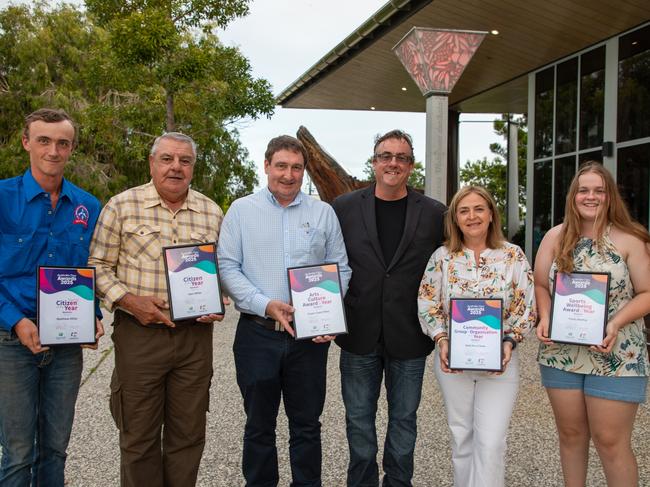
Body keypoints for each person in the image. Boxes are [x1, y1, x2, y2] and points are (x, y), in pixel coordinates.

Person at [88, 132, 224, 487]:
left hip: (195, 339)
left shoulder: (211, 211)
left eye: (185, 161)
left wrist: (219, 298)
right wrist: (130, 302)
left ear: (194, 167)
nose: (176, 167)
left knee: (188, 437)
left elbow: (223, 268)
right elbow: (97, 265)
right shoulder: (122, 206)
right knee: (139, 438)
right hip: (140, 336)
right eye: (167, 159)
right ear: (152, 163)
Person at [217, 135, 351, 487]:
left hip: (309, 338)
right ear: (266, 166)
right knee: (259, 425)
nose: (288, 175)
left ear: (304, 171)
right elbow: (228, 267)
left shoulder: (323, 213)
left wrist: (329, 315)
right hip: (257, 333)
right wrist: (265, 304)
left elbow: (341, 267)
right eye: (281, 166)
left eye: (296, 167)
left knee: (307, 426)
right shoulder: (241, 211)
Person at [332, 130, 445, 486]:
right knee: (358, 421)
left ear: (411, 165)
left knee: (404, 421)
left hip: (410, 336)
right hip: (358, 331)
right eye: (386, 155)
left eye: (401, 157)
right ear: (374, 160)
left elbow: (452, 264)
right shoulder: (343, 207)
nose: (392, 162)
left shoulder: (434, 212)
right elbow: (324, 261)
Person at [0, 108, 104, 486]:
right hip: (11, 342)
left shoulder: (87, 207)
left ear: (71, 148)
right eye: (43, 140)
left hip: (66, 348)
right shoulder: (2, 198)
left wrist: (93, 315)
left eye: (63, 143)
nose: (53, 151)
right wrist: (15, 319)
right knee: (17, 453)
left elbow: (92, 269)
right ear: (27, 142)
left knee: (55, 450)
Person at [535, 162, 650, 487]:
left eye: (599, 190)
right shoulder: (556, 237)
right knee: (571, 436)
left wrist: (615, 322)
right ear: (573, 196)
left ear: (610, 196)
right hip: (561, 354)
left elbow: (647, 292)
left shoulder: (630, 239)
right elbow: (541, 284)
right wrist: (545, 315)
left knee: (610, 442)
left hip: (617, 354)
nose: (591, 196)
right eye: (584, 190)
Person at [417, 185, 536, 487]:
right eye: (464, 210)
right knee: (461, 437)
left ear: (491, 214)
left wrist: (510, 341)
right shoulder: (442, 257)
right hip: (452, 365)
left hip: (500, 364)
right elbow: (427, 302)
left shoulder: (513, 256)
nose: (472, 216)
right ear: (455, 219)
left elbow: (527, 307)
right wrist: (441, 338)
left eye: (479, 209)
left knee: (492, 442)